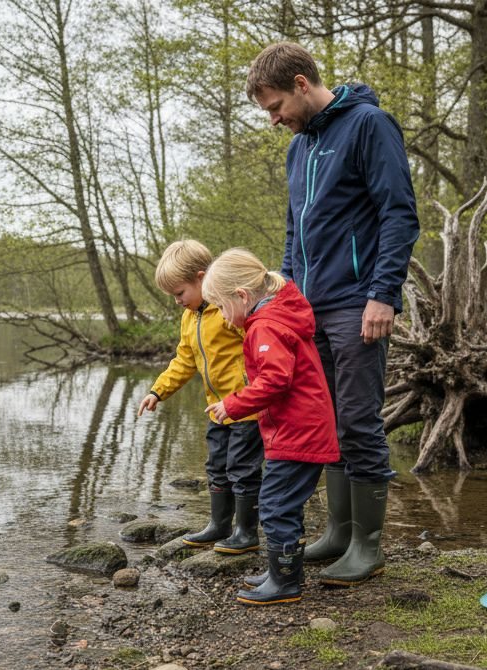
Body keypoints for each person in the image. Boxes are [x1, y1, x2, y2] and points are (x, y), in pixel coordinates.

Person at [244, 42, 421, 586]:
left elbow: (398, 213)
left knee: (359, 420)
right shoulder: (299, 150)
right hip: (308, 310)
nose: (275, 120)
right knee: (322, 422)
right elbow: (295, 232)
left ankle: (368, 543)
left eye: (276, 107)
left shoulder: (369, 125)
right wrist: (281, 297)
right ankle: (340, 530)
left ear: (302, 83)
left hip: (357, 303)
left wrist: (383, 293)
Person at [203, 248, 339, 606]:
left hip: (298, 433)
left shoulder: (266, 326)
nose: (220, 315)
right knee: (281, 503)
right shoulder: (276, 318)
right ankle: (280, 571)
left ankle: (286, 582)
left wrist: (232, 405)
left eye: (220, 306)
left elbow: (275, 380)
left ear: (242, 297)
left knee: (276, 504)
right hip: (297, 430)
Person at [137, 240, 264, 555]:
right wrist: (158, 390)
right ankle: (219, 524)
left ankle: (246, 532)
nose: (177, 301)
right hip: (216, 409)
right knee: (217, 466)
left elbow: (257, 343)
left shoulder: (227, 310)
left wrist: (256, 388)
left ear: (201, 277)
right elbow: (184, 361)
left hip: (246, 408)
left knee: (242, 468)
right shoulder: (189, 318)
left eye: (180, 293)